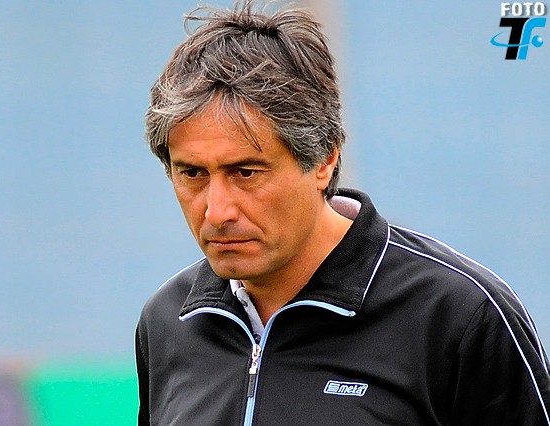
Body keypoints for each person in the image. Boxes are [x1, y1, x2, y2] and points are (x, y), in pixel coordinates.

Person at [135, 1, 550, 424]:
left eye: (246, 172)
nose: (217, 211)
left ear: (324, 160)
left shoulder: (460, 316)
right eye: (192, 173)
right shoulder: (166, 321)